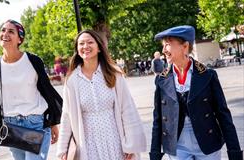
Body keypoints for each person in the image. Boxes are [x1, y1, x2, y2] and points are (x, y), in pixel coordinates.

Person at [149, 25, 243, 160]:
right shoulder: (161, 80)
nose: (163, 50)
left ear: (185, 46)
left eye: (168, 44)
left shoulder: (208, 75)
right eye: (163, 45)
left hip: (208, 144)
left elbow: (223, 115)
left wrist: (235, 153)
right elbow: (158, 120)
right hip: (177, 147)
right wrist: (155, 155)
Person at [56, 29, 146, 160]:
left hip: (115, 140)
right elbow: (67, 116)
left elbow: (127, 109)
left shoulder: (114, 74)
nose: (85, 46)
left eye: (90, 42)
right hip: (87, 144)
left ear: (99, 47)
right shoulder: (72, 80)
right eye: (81, 44)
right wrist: (62, 150)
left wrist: (131, 145)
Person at [0, 19, 63, 160]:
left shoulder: (33, 61)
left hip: (35, 122)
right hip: (11, 126)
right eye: (3, 30)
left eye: (11, 31)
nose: (5, 34)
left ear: (20, 39)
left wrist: (53, 123)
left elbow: (47, 92)